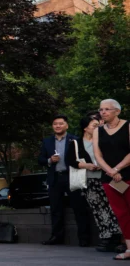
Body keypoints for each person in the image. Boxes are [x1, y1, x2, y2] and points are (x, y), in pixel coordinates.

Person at [65, 115, 122, 252]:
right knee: (99, 210)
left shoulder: (104, 140)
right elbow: (70, 160)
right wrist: (86, 165)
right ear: (85, 128)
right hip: (90, 181)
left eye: (99, 125)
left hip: (109, 178)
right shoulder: (76, 143)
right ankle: (107, 238)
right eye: (94, 126)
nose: (98, 128)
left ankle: (119, 238)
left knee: (115, 207)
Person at [38, 114, 91, 246]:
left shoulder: (75, 140)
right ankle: (56, 237)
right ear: (52, 126)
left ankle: (84, 238)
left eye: (61, 123)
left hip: (72, 177)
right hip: (55, 178)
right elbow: (40, 159)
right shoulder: (47, 141)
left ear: (66, 126)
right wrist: (50, 160)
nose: (58, 126)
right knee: (55, 209)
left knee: (79, 208)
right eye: (55, 124)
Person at [93, 99, 130, 261]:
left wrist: (117, 169)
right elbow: (98, 155)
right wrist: (110, 171)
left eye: (107, 109)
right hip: (110, 179)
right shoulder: (98, 131)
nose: (103, 112)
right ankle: (129, 249)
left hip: (127, 174)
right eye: (101, 109)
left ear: (117, 111)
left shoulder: (128, 126)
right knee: (121, 214)